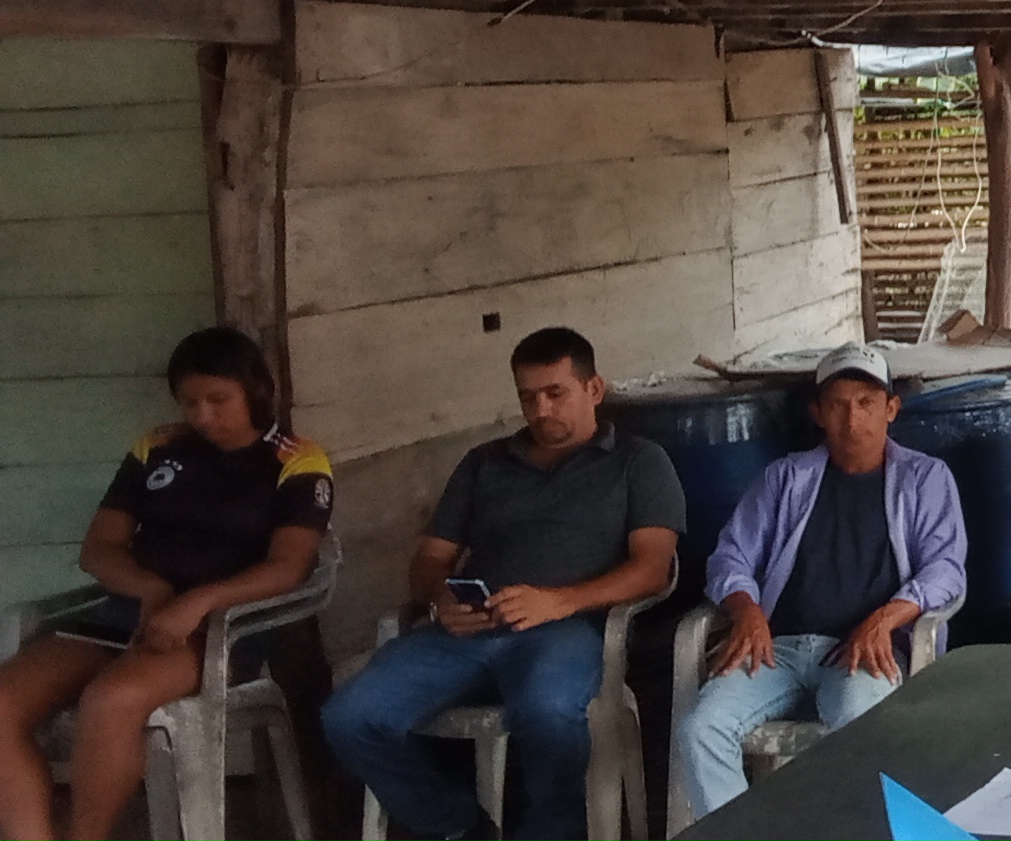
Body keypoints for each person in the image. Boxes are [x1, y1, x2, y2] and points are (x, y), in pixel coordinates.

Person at [324, 327, 682, 841]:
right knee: (349, 716)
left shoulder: (638, 461)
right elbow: (429, 560)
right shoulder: (485, 463)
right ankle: (460, 827)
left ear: (594, 389)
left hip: (567, 630)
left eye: (555, 393)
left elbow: (652, 569)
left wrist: (558, 602)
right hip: (469, 628)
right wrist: (441, 597)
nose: (540, 410)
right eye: (527, 397)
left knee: (548, 713)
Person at [0, 327, 331, 841]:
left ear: (255, 389)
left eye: (218, 400)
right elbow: (98, 549)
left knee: (111, 700)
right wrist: (151, 590)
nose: (203, 416)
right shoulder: (157, 448)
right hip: (127, 614)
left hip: (218, 630)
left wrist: (196, 603)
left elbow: (288, 566)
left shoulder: (296, 459)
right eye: (190, 402)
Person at [673, 343, 967, 820]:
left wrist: (885, 619)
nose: (853, 419)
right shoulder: (785, 478)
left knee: (860, 720)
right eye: (838, 404)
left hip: (867, 652)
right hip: (777, 649)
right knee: (700, 729)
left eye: (867, 402)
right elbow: (730, 557)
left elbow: (945, 569)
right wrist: (746, 611)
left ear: (891, 409)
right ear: (818, 413)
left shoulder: (925, 478)